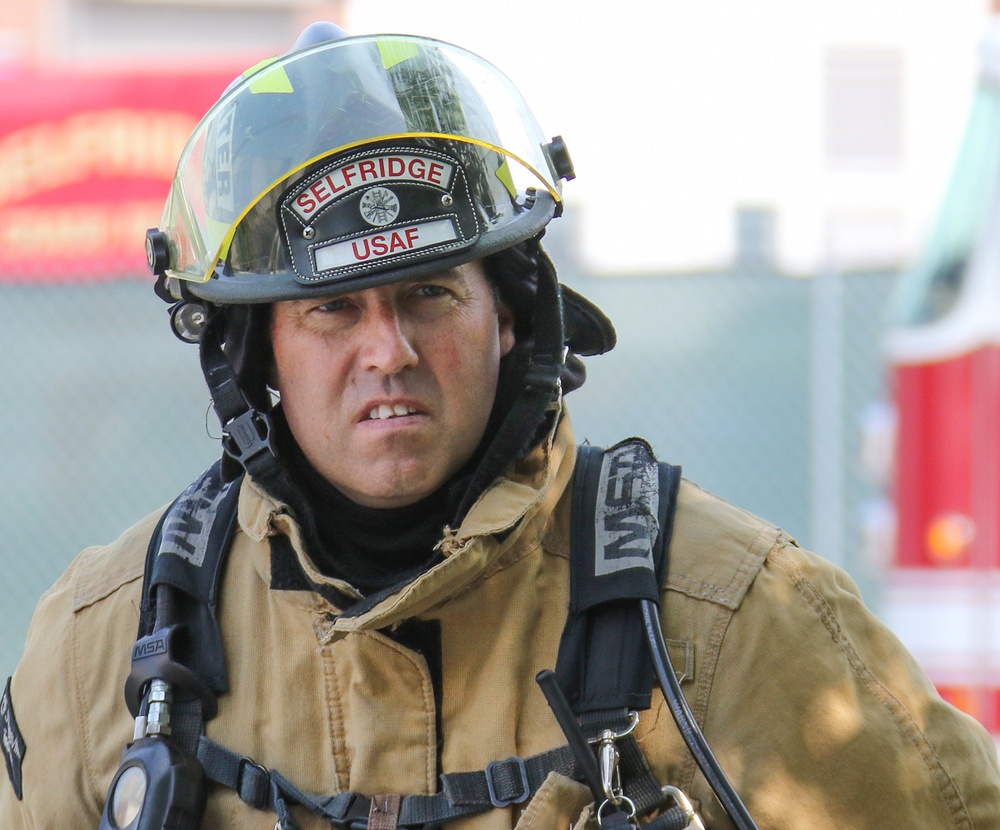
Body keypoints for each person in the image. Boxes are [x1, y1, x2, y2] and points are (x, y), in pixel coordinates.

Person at [2, 21, 998, 830]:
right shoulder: (109, 643)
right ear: (258, 353)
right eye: (331, 310)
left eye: (429, 292)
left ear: (510, 315)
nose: (385, 349)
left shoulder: (728, 615)